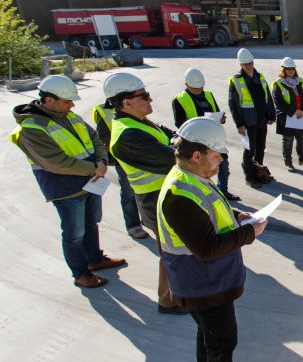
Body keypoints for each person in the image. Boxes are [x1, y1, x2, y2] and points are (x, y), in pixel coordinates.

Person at [157, 117, 267, 362]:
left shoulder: (192, 179)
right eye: (217, 154)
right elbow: (205, 248)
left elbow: (209, 209)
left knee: (208, 333)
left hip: (204, 280)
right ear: (197, 155)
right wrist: (248, 233)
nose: (221, 159)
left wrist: (236, 217)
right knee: (221, 339)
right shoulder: (179, 195)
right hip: (202, 282)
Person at [10, 75, 125, 288]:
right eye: (67, 101)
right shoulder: (31, 128)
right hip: (66, 189)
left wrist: (101, 160)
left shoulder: (69, 115)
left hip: (91, 181)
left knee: (91, 224)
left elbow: (95, 139)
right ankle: (81, 274)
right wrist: (94, 168)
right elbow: (55, 162)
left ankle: (95, 259)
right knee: (74, 233)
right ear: (48, 101)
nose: (72, 104)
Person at [107, 72, 185, 315]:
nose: (151, 100)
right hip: (155, 200)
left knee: (177, 250)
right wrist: (176, 146)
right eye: (144, 96)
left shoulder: (141, 122)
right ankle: (168, 301)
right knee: (171, 254)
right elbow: (171, 158)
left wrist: (176, 142)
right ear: (126, 102)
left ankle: (179, 294)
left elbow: (174, 136)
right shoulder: (127, 134)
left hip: (165, 194)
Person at [173, 67, 239, 201]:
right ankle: (202, 195)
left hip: (213, 139)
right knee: (199, 170)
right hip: (195, 142)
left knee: (223, 165)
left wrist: (221, 118)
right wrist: (200, 122)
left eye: (201, 88)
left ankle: (223, 191)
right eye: (195, 89)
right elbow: (180, 124)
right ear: (186, 84)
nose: (199, 91)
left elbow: (217, 112)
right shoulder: (179, 99)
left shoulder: (208, 94)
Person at [92, 81, 146, 239]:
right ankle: (133, 225)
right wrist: (116, 159)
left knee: (144, 190)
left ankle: (145, 218)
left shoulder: (134, 106)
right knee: (129, 192)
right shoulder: (103, 112)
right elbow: (104, 139)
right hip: (124, 159)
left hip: (141, 155)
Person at [228, 48, 276, 189]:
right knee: (249, 151)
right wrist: (239, 124)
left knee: (260, 148)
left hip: (261, 121)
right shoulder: (236, 80)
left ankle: (258, 172)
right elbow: (233, 104)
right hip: (247, 123)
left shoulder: (260, 77)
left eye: (250, 62)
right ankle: (249, 177)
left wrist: (271, 115)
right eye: (245, 64)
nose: (248, 66)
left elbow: (268, 97)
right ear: (240, 65)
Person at [272, 57, 303, 171]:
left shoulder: (301, 82)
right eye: (288, 69)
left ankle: (302, 160)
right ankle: (288, 162)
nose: (290, 71)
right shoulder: (278, 84)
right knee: (288, 140)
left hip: (302, 116)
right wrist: (293, 112)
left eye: (292, 69)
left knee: (302, 139)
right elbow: (278, 101)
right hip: (288, 117)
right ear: (283, 70)